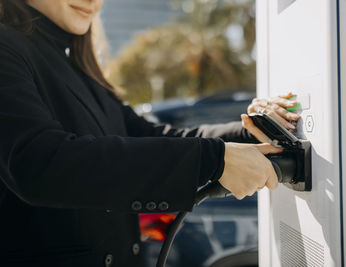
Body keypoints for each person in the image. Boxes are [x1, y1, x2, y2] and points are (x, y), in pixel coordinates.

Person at [0, 0, 300, 266]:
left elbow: (154, 135)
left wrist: (252, 128)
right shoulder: (8, 47)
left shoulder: (76, 68)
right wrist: (213, 159)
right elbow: (39, 162)